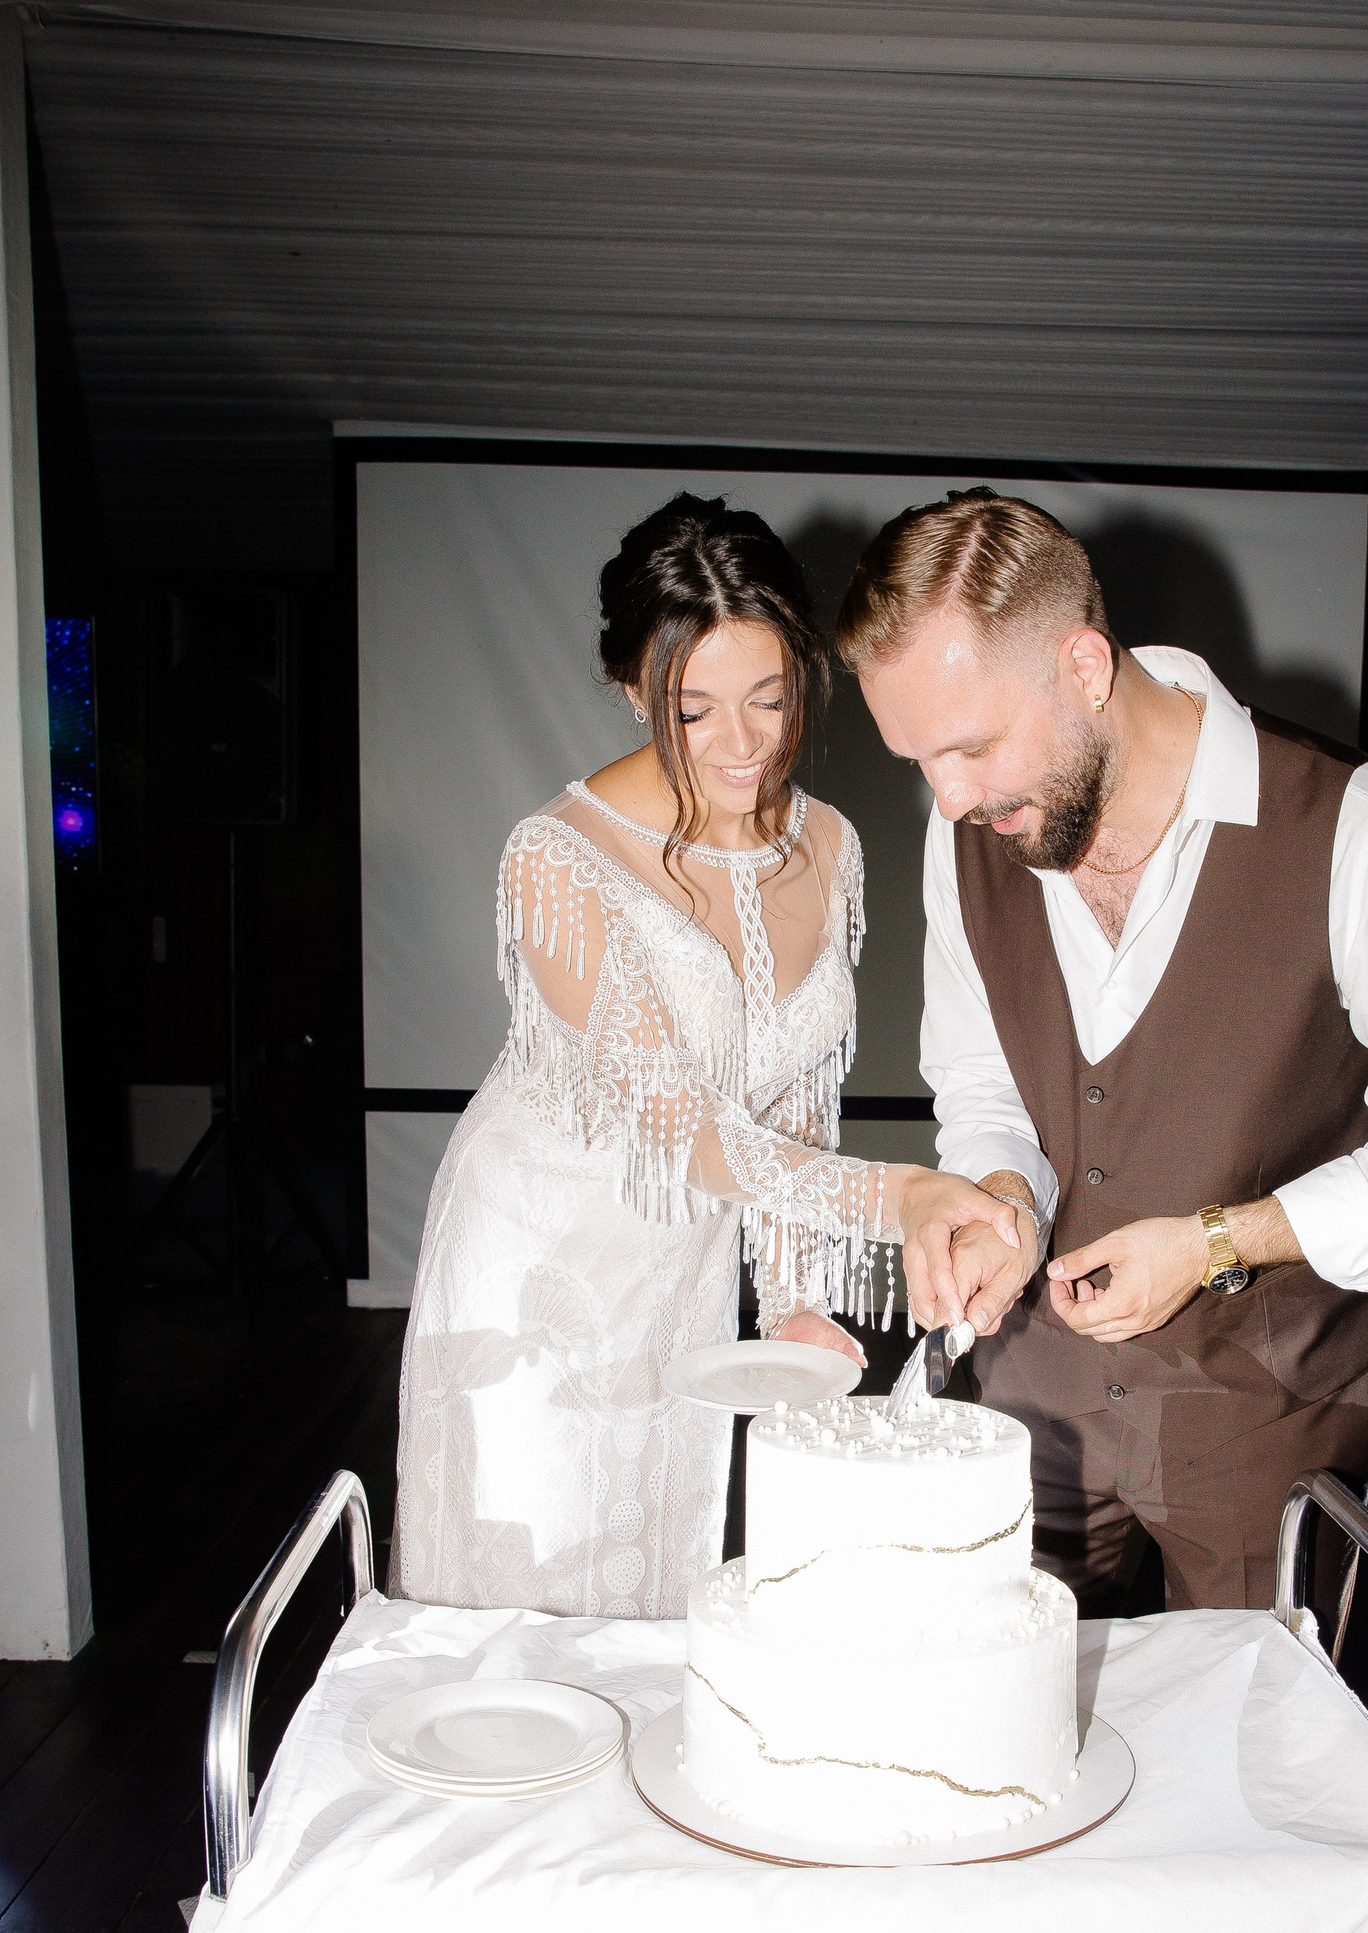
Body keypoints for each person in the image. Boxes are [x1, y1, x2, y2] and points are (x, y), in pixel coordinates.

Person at [847, 489, 1368, 1617]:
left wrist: (1219, 1242)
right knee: (996, 1703)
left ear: (1084, 665)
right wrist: (1004, 1196)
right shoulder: (964, 828)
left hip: (1267, 1410)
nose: (951, 796)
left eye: (971, 746)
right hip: (1033, 1402)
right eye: (921, 759)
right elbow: (982, 1081)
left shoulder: (1366, 834)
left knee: (1252, 1727)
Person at [393, 494, 1019, 1616]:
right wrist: (903, 1197)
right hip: (533, 1275)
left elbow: (789, 1101)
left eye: (771, 698)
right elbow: (682, 1131)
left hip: (679, 1278)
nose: (745, 744)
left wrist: (789, 1299)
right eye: (696, 709)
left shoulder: (830, 844)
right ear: (635, 689)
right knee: (526, 1613)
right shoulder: (556, 861)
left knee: (656, 1582)